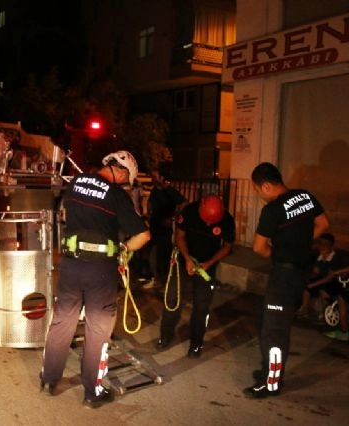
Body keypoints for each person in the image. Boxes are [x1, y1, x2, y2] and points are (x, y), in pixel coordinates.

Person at [40, 150, 150, 409]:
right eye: (126, 180)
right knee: (98, 329)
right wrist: (124, 250)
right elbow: (143, 235)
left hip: (71, 265)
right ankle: (92, 392)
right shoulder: (116, 195)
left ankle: (48, 380)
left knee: (62, 323)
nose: (124, 184)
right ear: (121, 172)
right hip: (100, 271)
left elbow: (66, 215)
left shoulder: (76, 183)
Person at [245, 162, 329, 399]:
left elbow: (259, 247)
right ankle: (269, 371)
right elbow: (324, 223)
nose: (258, 194)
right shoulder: (305, 196)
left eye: (257, 189)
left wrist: (280, 252)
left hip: (283, 275)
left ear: (266, 186)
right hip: (301, 272)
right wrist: (300, 244)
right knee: (272, 323)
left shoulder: (272, 211)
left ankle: (271, 383)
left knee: (274, 331)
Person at [156, 194, 235, 358]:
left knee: (202, 306)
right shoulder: (189, 212)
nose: (208, 224)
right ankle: (165, 335)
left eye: (212, 222)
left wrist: (209, 263)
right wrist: (187, 259)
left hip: (207, 267)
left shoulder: (227, 220)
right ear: (201, 207)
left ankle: (196, 343)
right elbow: (179, 237)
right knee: (172, 299)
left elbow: (227, 247)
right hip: (184, 261)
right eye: (206, 220)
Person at [146, 170, 187, 288]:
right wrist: (148, 214)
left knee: (162, 255)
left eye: (155, 176)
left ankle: (163, 281)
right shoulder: (155, 190)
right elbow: (150, 202)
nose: (153, 179)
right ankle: (155, 278)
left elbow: (184, 203)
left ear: (162, 178)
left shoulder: (170, 191)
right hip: (154, 226)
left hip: (164, 229)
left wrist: (173, 218)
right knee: (153, 253)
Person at [296, 233, 343, 319]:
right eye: (320, 244)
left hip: (334, 282)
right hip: (321, 280)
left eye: (326, 244)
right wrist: (307, 279)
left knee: (323, 289)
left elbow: (330, 278)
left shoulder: (335, 258)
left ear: (331, 246)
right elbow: (316, 272)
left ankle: (325, 313)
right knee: (307, 286)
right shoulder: (320, 257)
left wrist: (314, 284)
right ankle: (304, 309)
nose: (322, 246)